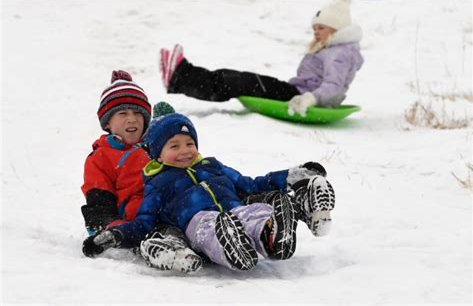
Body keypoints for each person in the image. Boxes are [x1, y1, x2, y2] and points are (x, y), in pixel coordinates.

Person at [83, 112, 336, 271]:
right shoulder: (157, 183)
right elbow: (144, 221)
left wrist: (291, 176)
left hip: (233, 211)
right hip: (197, 222)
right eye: (175, 146)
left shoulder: (212, 167)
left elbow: (252, 184)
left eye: (190, 143)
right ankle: (229, 247)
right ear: (157, 154)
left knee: (254, 212)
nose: (185, 150)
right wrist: (115, 234)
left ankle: (273, 237)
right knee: (208, 226)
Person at [80, 70, 202, 273]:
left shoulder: (157, 146)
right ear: (107, 123)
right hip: (141, 219)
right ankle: (167, 248)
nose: (132, 119)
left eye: (138, 113)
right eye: (123, 113)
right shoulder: (101, 158)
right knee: (163, 230)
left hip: (180, 205)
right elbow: (99, 203)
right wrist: (111, 230)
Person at [159, 0, 363, 116]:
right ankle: (180, 73)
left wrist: (310, 99)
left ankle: (179, 77)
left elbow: (334, 86)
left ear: (336, 28)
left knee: (237, 82)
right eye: (315, 28)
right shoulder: (333, 50)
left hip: (299, 97)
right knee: (235, 77)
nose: (316, 32)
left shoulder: (339, 54)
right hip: (295, 92)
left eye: (321, 27)